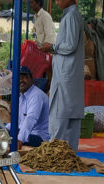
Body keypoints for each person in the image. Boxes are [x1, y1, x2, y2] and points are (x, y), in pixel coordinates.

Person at [39, 0, 84, 151]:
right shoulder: (72, 15)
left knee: (60, 113)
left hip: (66, 74)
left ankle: (57, 152)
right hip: (68, 74)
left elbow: (70, 45)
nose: (56, 2)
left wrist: (52, 47)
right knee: (68, 113)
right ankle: (69, 152)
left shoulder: (71, 16)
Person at [11, 66, 49, 148]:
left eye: (25, 77)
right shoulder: (21, 96)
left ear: (31, 79)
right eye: (19, 78)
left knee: (11, 138)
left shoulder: (36, 95)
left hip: (39, 136)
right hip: (28, 133)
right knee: (1, 131)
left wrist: (20, 139)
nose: (21, 80)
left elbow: (31, 118)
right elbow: (18, 121)